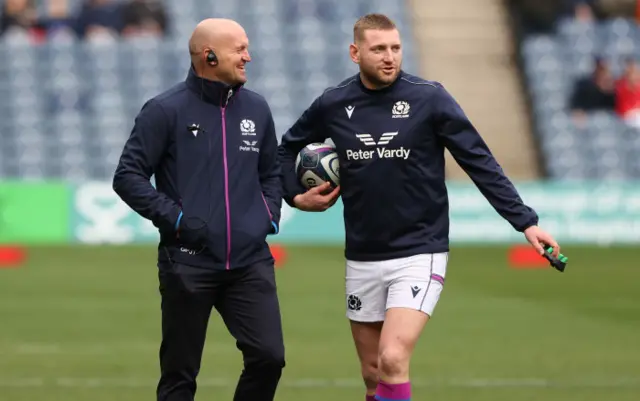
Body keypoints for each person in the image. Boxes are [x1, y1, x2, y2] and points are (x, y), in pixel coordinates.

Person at [277, 13, 561, 401]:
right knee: (373, 373)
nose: (390, 56)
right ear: (354, 52)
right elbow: (284, 149)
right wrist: (295, 195)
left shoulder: (429, 98)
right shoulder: (334, 103)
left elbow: (478, 160)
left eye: (395, 48)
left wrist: (526, 222)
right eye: (378, 49)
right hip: (362, 254)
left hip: (419, 251)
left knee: (393, 358)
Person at [112, 18, 285, 401]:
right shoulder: (163, 110)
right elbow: (127, 176)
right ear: (208, 55)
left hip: (249, 262)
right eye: (239, 49)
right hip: (187, 262)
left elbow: (271, 172)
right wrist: (177, 220)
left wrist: (267, 215)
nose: (248, 57)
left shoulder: (257, 109)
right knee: (180, 375)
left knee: (269, 358)